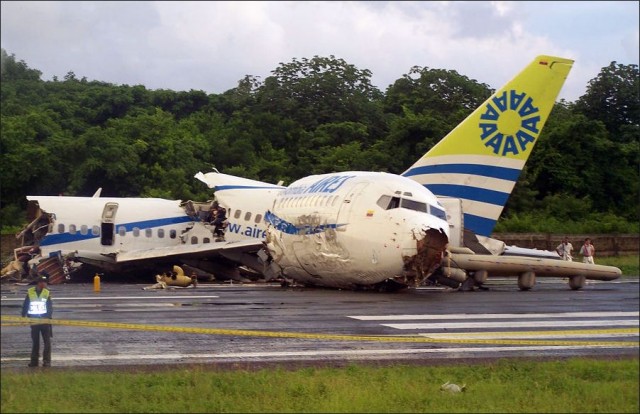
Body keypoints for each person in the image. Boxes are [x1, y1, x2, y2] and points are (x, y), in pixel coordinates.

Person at [21, 274, 53, 367]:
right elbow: (26, 305)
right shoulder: (30, 292)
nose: (45, 284)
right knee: (35, 342)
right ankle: (34, 362)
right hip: (34, 320)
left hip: (45, 321)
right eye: (44, 282)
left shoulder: (47, 292)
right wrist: (23, 316)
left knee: (47, 342)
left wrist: (47, 317)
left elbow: (50, 307)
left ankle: (46, 361)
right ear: (39, 283)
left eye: (46, 282)